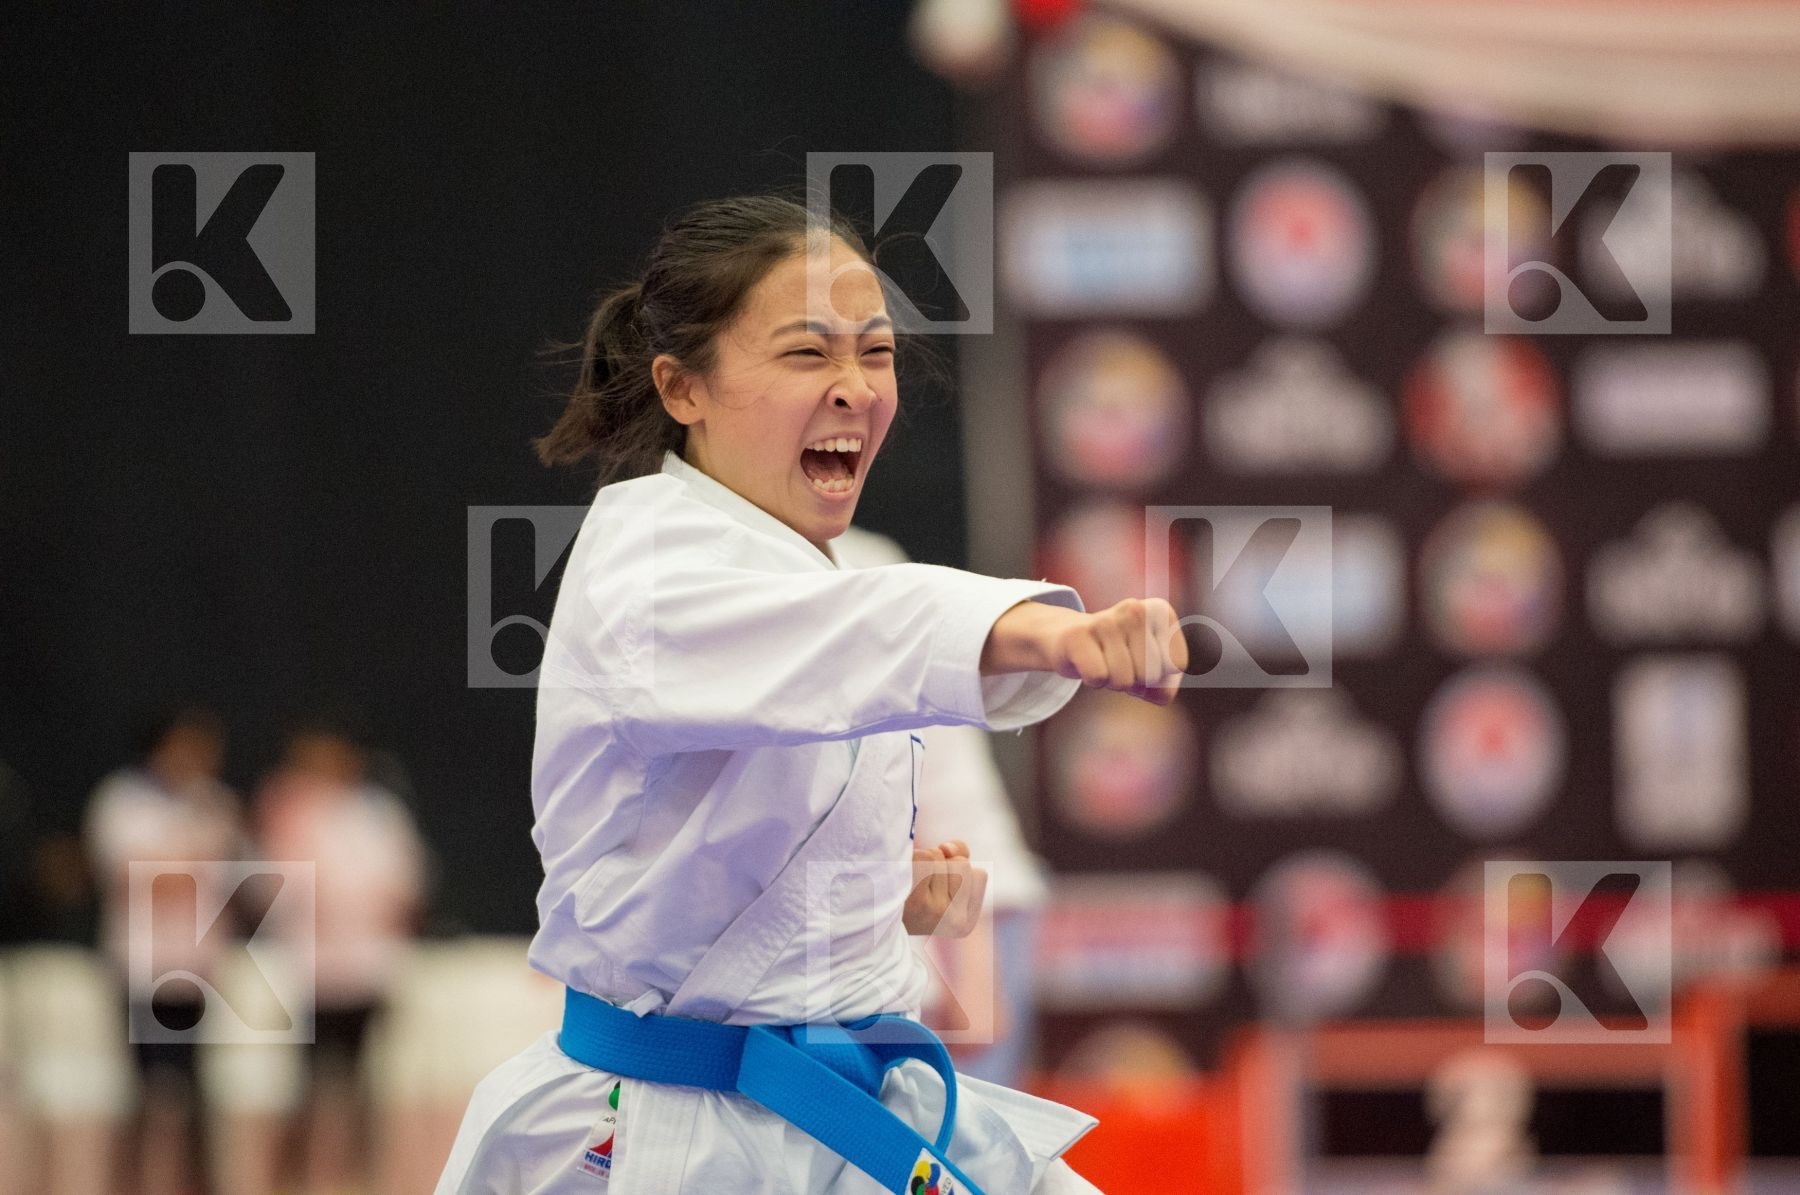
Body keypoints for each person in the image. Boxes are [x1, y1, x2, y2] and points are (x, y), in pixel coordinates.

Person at [434, 193, 1186, 1195]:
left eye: (874, 353)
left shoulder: (804, 564)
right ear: (682, 387)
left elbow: (723, 865)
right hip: (677, 1134)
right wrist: (1060, 632)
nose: (856, 388)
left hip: (838, 1099)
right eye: (806, 353)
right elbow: (862, 637)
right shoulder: (647, 569)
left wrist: (881, 892)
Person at [829, 524, 1051, 1089]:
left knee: (962, 1154)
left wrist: (975, 984)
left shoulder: (868, 567)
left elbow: (948, 796)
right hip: (852, 956)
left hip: (963, 924)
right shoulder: (702, 571)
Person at [255, 711, 428, 1195]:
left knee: (364, 1084)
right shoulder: (290, 809)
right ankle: (288, 1180)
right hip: (313, 973)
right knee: (305, 1088)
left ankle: (362, 1180)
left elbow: (405, 886)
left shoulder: (379, 813)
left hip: (369, 969)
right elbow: (277, 887)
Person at [84, 704, 244, 1195]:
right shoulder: (122, 801)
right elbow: (140, 880)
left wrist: (182, 870)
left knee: (197, 1091)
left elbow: (234, 879)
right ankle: (131, 1184)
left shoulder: (215, 803)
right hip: (141, 965)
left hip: (197, 966)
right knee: (142, 1091)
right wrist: (188, 869)